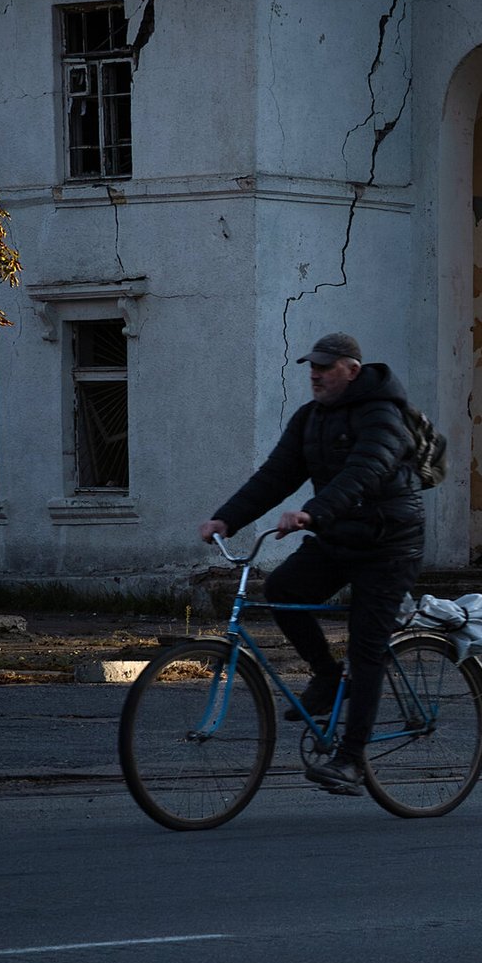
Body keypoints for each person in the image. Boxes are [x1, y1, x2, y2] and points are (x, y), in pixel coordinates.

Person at [199, 332, 423, 796]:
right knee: (282, 589)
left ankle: (351, 760)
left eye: (325, 367)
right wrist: (227, 518)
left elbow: (365, 471)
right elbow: (275, 476)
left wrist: (313, 512)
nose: (315, 375)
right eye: (312, 367)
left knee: (366, 649)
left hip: (388, 545)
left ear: (352, 371)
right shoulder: (310, 418)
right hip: (339, 537)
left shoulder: (383, 414)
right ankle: (326, 673)